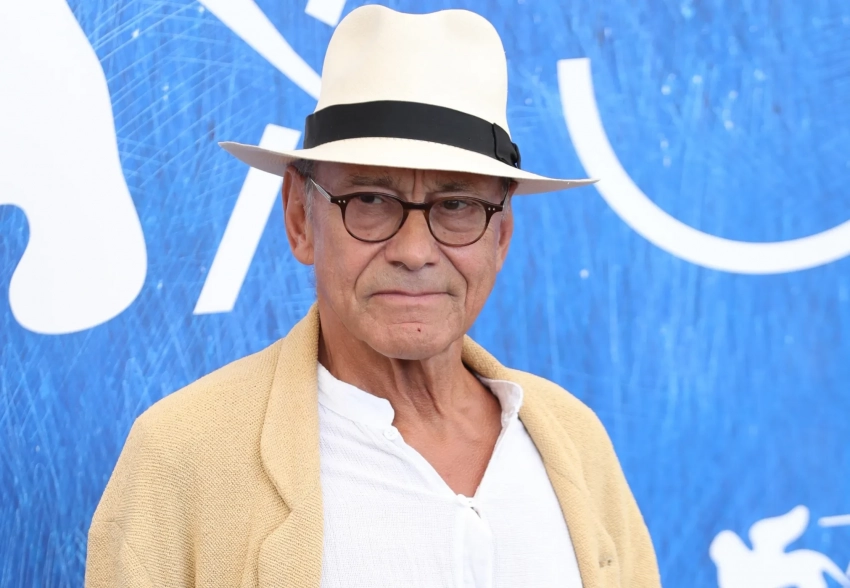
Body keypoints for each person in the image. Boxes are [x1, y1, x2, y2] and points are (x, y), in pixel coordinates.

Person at [86, 5, 661, 587]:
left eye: (456, 205)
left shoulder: (572, 439)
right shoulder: (182, 458)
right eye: (370, 200)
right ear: (300, 218)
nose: (414, 251)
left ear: (502, 235)